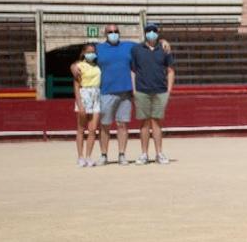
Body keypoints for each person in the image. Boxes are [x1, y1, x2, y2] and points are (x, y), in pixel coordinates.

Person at [131, 22, 175, 165]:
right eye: (149, 31)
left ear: (157, 32)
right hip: (142, 90)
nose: (151, 33)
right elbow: (133, 70)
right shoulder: (137, 49)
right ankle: (144, 153)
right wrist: (134, 90)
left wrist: (168, 90)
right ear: (145, 33)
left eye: (154, 31)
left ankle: (159, 153)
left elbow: (170, 71)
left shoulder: (164, 49)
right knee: (144, 123)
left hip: (160, 90)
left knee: (156, 123)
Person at [95, 24, 135, 166]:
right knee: (104, 125)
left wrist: (162, 42)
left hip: (125, 91)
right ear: (105, 34)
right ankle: (104, 155)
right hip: (106, 91)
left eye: (116, 31)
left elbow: (148, 47)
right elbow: (83, 61)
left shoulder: (129, 46)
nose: (113, 33)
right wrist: (74, 66)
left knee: (122, 124)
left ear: (119, 33)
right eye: (110, 32)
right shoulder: (97, 48)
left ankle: (122, 154)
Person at [70, 44, 101, 167]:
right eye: (88, 52)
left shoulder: (97, 66)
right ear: (83, 53)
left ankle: (88, 156)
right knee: (81, 129)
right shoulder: (78, 66)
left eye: (93, 52)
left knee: (93, 129)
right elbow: (76, 86)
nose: (91, 54)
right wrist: (80, 104)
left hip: (96, 94)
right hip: (84, 94)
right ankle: (80, 157)